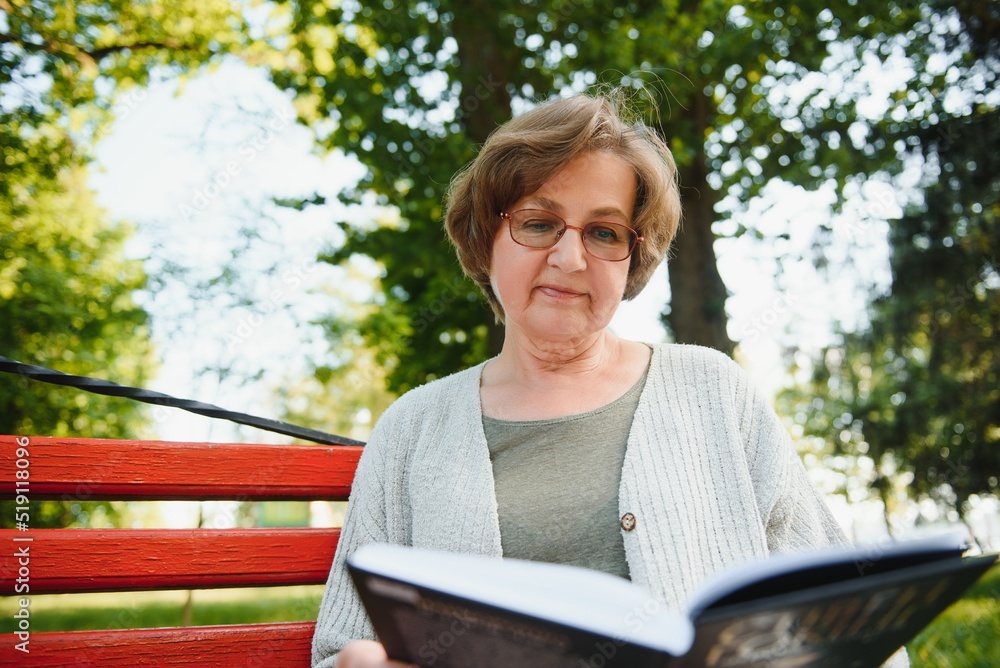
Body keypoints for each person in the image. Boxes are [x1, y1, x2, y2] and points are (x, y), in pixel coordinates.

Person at [312, 93, 907, 668]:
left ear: (631, 257)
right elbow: (341, 647)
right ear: (485, 238)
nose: (571, 259)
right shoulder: (411, 431)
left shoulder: (715, 392)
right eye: (539, 222)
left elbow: (844, 613)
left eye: (604, 232)